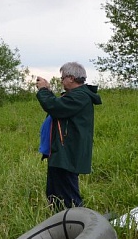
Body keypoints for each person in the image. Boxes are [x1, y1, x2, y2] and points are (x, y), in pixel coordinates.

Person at [35, 62, 102, 211]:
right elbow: (58, 105)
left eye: (62, 78)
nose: (61, 81)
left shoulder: (80, 96)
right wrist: (48, 92)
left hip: (67, 153)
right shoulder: (75, 96)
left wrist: (44, 90)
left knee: (68, 196)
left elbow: (55, 107)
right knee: (55, 194)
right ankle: (60, 225)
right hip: (61, 152)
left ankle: (79, 225)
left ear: (71, 78)